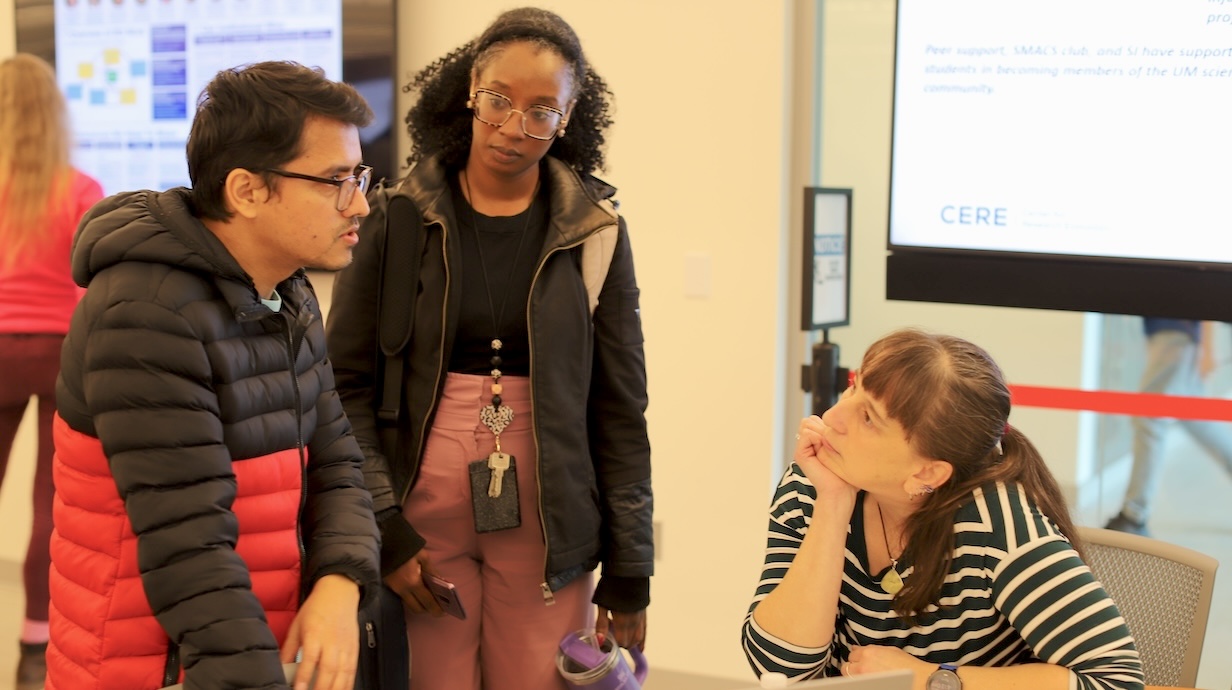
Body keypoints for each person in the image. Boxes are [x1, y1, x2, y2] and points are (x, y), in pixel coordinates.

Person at [326, 7, 652, 689]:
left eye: (542, 111)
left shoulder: (596, 232)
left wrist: (630, 565)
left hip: (549, 518)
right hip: (420, 514)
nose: (513, 127)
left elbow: (620, 408)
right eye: (499, 100)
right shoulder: (395, 216)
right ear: (472, 86)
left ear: (567, 118)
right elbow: (344, 388)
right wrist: (385, 526)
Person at [49, 61, 380, 690]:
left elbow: (339, 459)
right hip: (157, 665)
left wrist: (341, 581)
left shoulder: (288, 289)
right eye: (336, 180)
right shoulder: (143, 314)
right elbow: (188, 547)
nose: (359, 202)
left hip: (255, 645)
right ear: (248, 190)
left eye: (358, 175)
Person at [743, 329, 1144, 688]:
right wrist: (833, 503)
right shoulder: (814, 482)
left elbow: (1118, 681)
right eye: (853, 390)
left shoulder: (999, 530)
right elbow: (780, 670)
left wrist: (934, 680)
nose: (831, 416)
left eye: (868, 418)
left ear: (928, 472)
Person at [0, 53, 103, 690]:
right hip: (61, 352)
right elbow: (91, 285)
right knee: (49, 501)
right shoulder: (81, 189)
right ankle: (34, 653)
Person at [1105, 317, 1232, 536]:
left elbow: (1203, 288)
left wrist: (1209, 347)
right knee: (1194, 416)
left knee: (1149, 417)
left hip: (1177, 334)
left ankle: (1134, 514)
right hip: (1173, 334)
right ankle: (1134, 513)